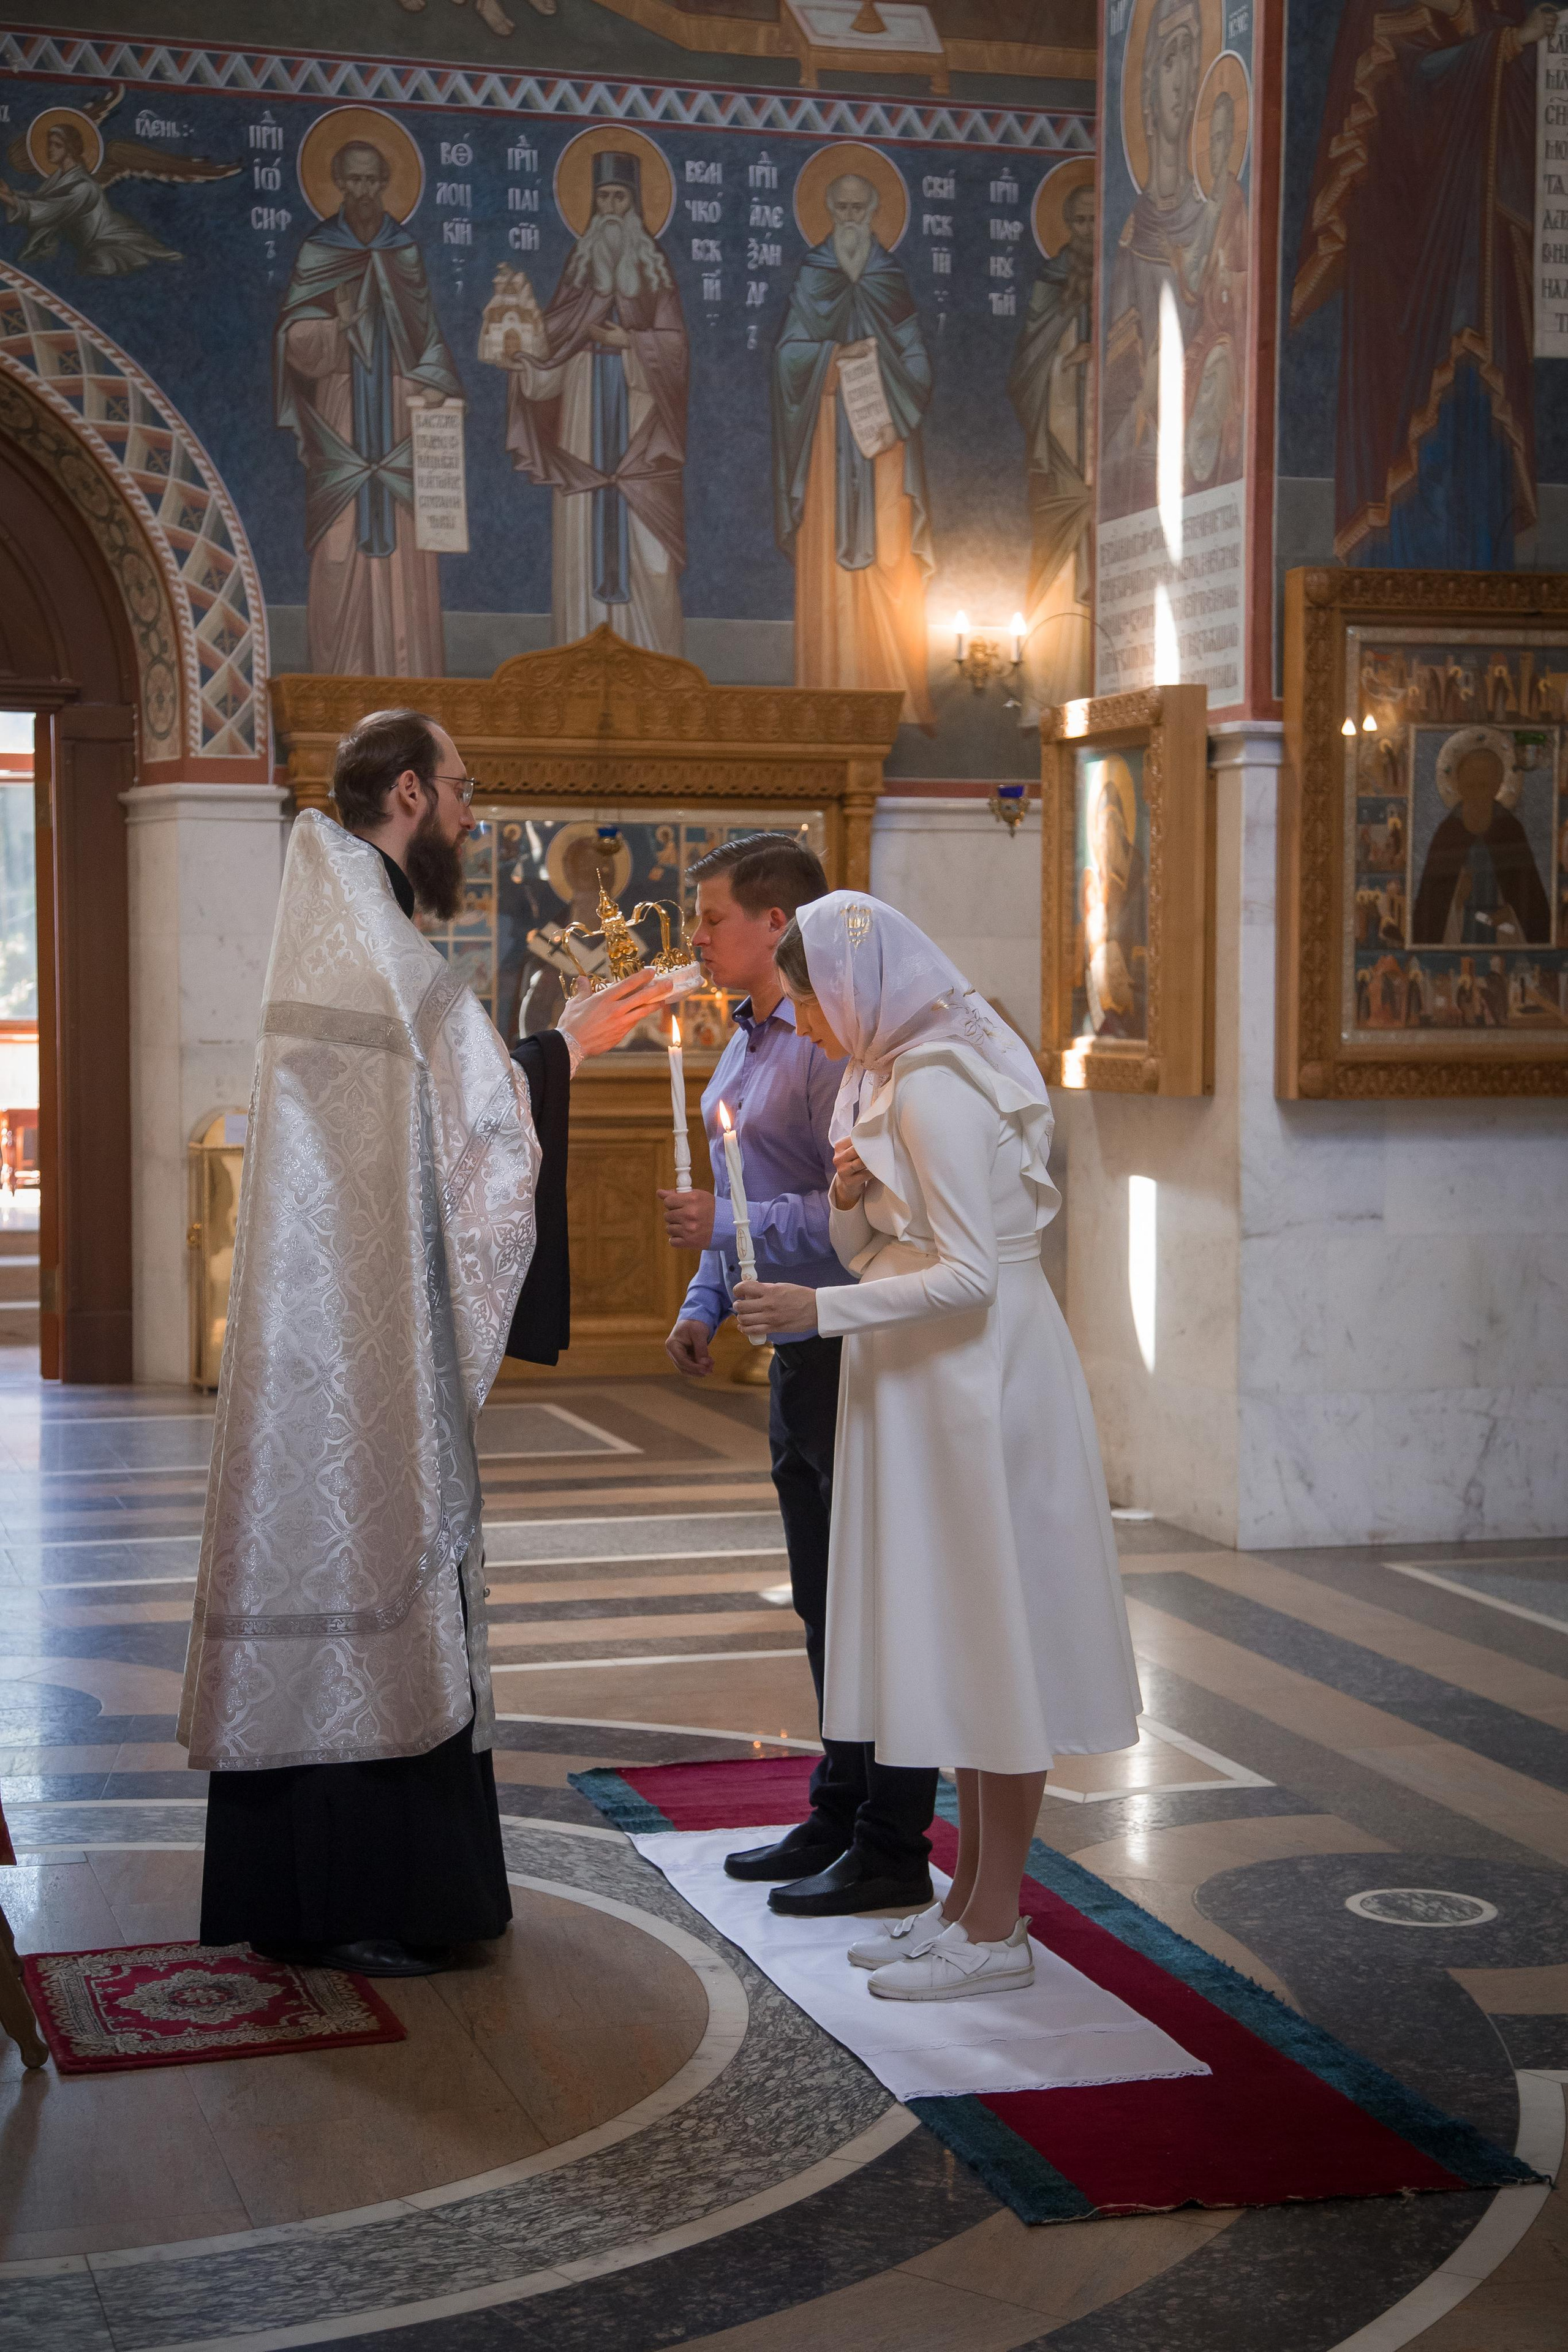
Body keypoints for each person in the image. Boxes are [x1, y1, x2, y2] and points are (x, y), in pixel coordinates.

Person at [181, 708, 669, 1977]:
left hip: (333, 1333)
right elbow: (483, 1132)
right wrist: (568, 1047)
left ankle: (306, 1893)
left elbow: (436, 1117)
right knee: (385, 1557)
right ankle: (382, 1895)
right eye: (459, 787)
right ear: (407, 791)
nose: (470, 811)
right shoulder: (384, 947)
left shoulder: (344, 921)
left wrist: (545, 1050)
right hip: (366, 1351)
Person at [734, 894, 1142, 2000]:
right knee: (968, 1641)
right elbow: (880, 1244)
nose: (802, 1019)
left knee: (999, 1645)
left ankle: (998, 1925)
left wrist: (816, 1313)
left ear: (855, 986)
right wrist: (848, 1196)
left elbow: (969, 1274)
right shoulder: (887, 1076)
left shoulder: (937, 1086)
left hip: (980, 1383)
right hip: (929, 1379)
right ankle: (964, 1903)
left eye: (808, 998)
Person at [662, 838, 939, 1918]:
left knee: (877, 1597)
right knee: (826, 1599)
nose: (697, 937)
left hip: (855, 1335)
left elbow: (855, 1216)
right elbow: (732, 1188)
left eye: (713, 917)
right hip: (794, 1343)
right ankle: (841, 1805)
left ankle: (892, 1835)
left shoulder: (834, 1044)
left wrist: (728, 1226)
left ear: (778, 922)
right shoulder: (743, 1035)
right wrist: (704, 1300)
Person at [275, 140, 460, 675]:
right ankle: (342, 671)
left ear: (384, 184)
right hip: (342, 408)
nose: (363, 191)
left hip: (401, 406)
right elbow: (294, 340)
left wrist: (435, 383)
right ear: (339, 183)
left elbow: (427, 334)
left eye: (372, 180)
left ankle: (411, 670)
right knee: (340, 538)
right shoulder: (320, 250)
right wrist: (339, 328)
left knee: (408, 538)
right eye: (354, 180)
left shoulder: (404, 251)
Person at [503, 149, 689, 654]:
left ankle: (652, 658)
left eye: (619, 199)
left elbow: (676, 350)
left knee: (647, 547)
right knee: (583, 533)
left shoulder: (654, 272)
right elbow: (556, 345)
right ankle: (579, 651)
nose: (610, 208)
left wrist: (628, 342)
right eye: (603, 198)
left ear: (635, 206)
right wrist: (528, 367)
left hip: (640, 422)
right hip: (582, 420)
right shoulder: (580, 271)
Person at [771, 170, 935, 726]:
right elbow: (787, 355)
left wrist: (896, 400)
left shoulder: (890, 278)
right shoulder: (813, 274)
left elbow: (916, 356)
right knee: (828, 558)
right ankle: (827, 688)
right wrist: (830, 361)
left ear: (873, 212)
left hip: (884, 439)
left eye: (858, 209)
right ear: (828, 211)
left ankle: (895, 688)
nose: (849, 218)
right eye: (840, 208)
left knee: (891, 555)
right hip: (825, 439)